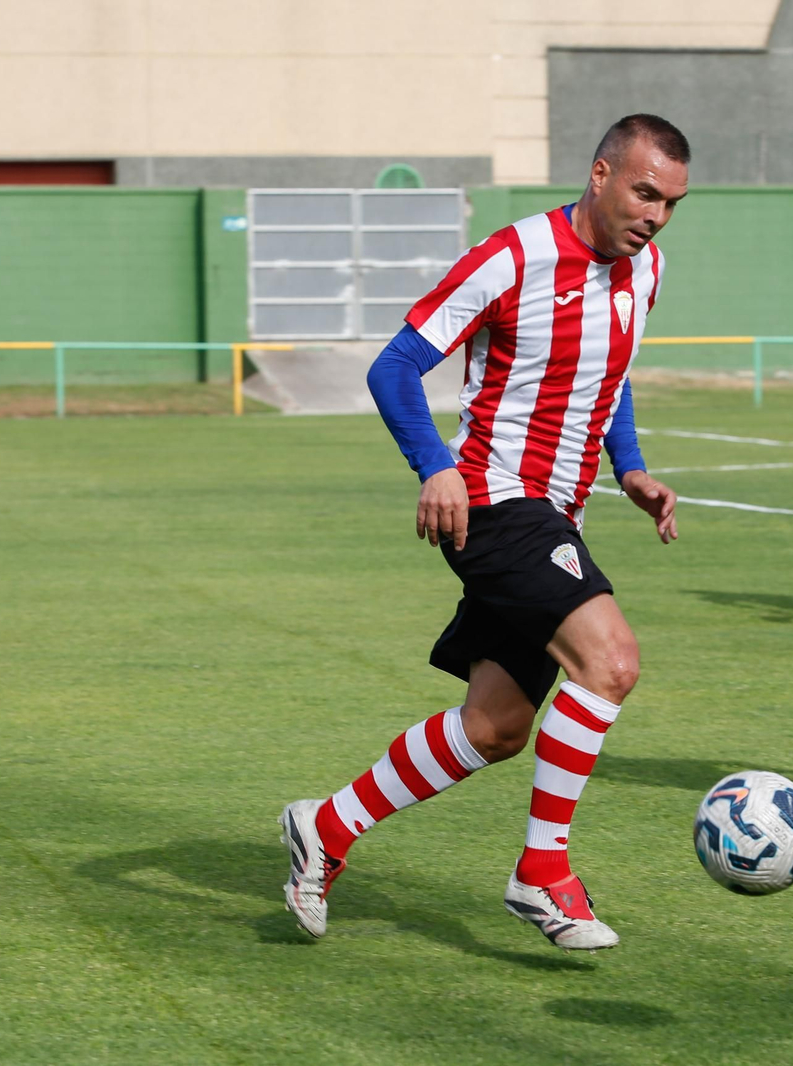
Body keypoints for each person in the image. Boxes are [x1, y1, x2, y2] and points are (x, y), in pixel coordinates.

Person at [278, 114, 688, 952]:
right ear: (600, 173)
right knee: (610, 661)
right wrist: (435, 465)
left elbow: (608, 375)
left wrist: (632, 464)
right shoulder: (513, 257)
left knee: (497, 727)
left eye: (672, 203)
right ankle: (543, 875)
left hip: (555, 513)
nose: (655, 215)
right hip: (494, 502)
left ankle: (325, 827)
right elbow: (394, 365)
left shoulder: (645, 270)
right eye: (644, 192)